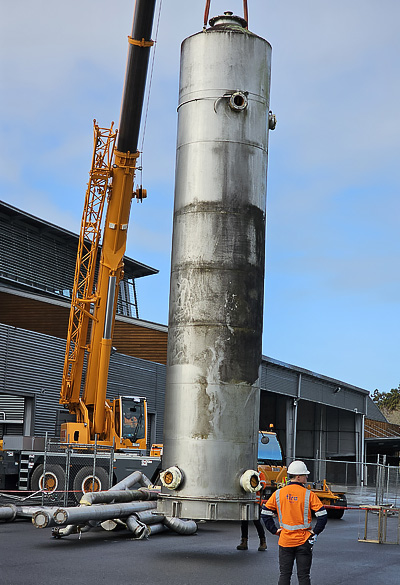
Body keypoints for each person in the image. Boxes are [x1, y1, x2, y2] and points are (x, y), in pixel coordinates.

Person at [261, 460, 327, 585]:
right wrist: (315, 532)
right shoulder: (309, 494)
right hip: (304, 541)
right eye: (305, 475)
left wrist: (274, 530)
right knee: (304, 576)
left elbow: (265, 514)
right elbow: (322, 516)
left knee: (285, 575)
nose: (307, 477)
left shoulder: (278, 493)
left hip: (285, 541)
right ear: (298, 477)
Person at [237, 470, 267, 551]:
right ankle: (244, 541)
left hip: (255, 502)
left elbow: (262, 486)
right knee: (244, 521)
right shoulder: (245, 473)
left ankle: (263, 541)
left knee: (257, 522)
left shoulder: (260, 474)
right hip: (246, 500)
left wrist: (255, 485)